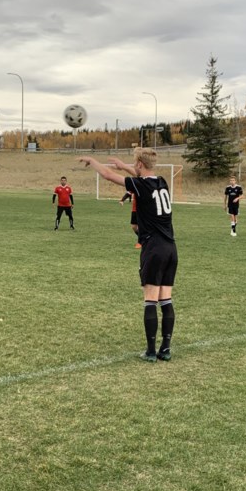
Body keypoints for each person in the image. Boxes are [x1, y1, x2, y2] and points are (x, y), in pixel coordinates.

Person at [79, 148, 177, 362]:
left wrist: (92, 160)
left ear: (140, 164)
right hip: (171, 248)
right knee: (166, 299)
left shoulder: (140, 185)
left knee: (150, 300)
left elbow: (107, 175)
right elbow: (139, 174)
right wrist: (124, 166)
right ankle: (166, 349)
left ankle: (151, 352)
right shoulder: (161, 182)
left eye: (134, 164)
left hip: (153, 248)